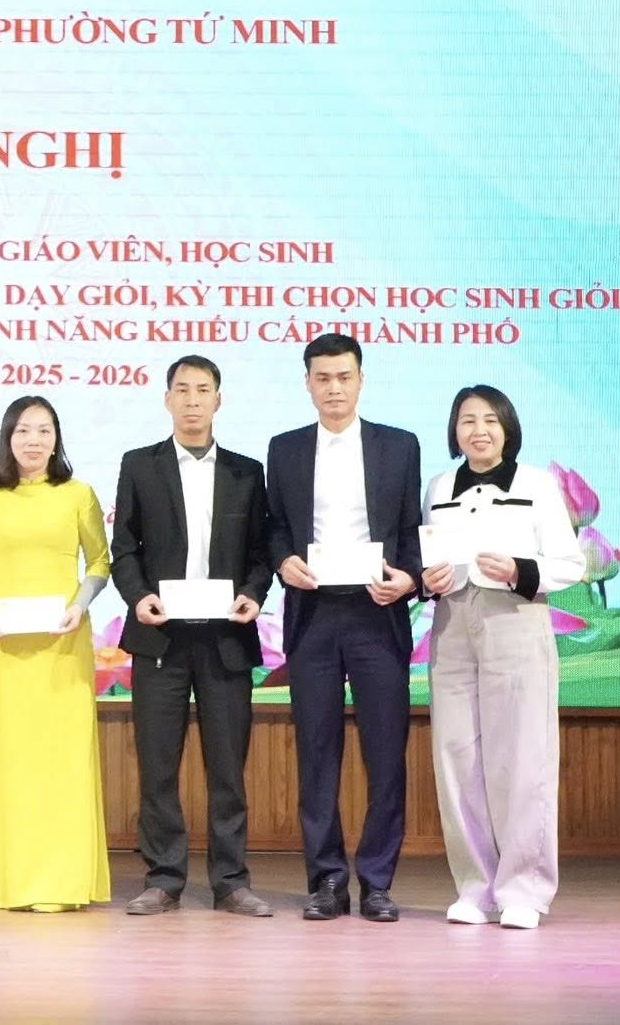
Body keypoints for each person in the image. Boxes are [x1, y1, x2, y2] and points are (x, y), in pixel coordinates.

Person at [109, 355, 274, 916]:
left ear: (218, 400)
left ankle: (231, 881)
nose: (193, 400)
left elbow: (261, 553)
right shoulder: (140, 464)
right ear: (167, 399)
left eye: (203, 389)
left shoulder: (247, 472)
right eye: (182, 390)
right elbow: (124, 548)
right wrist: (139, 597)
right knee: (158, 766)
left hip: (226, 637)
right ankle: (163, 878)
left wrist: (253, 592)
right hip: (160, 637)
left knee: (227, 767)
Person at [265, 334, 422, 923]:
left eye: (344, 377)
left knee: (385, 753)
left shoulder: (398, 446)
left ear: (361, 380)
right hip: (313, 614)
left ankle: (377, 882)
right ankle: (327, 880)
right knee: (317, 752)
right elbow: (275, 527)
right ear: (307, 383)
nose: (334, 388)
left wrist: (408, 579)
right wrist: (283, 562)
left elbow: (411, 528)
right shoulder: (285, 449)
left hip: (377, 613)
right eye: (323, 378)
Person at [421, 385, 584, 930]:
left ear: (508, 427)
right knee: (457, 757)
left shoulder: (536, 485)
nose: (479, 430)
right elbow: (428, 557)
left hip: (515, 618)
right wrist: (427, 579)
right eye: (467, 420)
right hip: (453, 624)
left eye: (490, 419)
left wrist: (519, 570)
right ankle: (475, 887)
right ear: (454, 430)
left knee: (523, 756)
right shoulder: (439, 486)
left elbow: (570, 563)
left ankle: (524, 890)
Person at [0, 395, 112, 912]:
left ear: (57, 438)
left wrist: (79, 605)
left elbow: (100, 563)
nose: (34, 440)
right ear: (8, 437)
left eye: (44, 430)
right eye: (23, 430)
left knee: (60, 763)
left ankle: (61, 883)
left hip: (63, 645)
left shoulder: (78, 494)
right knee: (10, 762)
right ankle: (3, 882)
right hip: (5, 648)